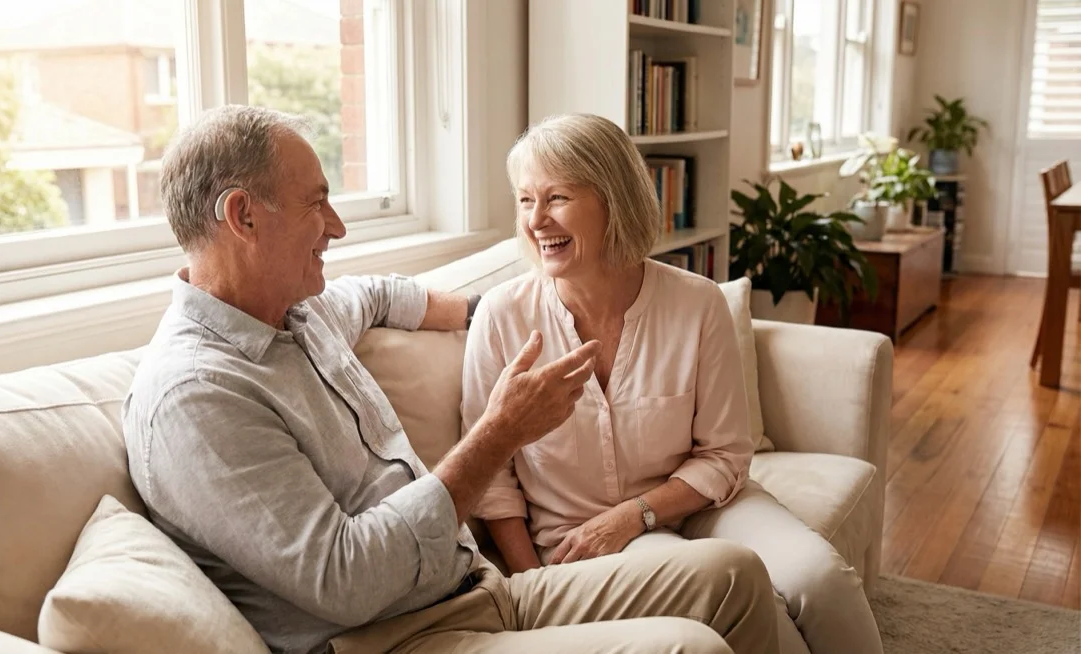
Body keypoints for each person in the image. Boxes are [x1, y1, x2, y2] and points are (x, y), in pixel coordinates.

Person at [121, 105, 780, 654]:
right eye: (317, 204)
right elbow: (347, 582)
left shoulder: (300, 314)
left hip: (476, 590)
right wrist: (499, 432)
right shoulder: (199, 396)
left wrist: (485, 312)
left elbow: (377, 294)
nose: (337, 227)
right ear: (243, 216)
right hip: (399, 637)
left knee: (735, 575)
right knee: (692, 648)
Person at [462, 113, 885, 654]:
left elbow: (726, 455)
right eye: (525, 200)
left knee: (821, 579)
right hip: (581, 538)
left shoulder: (697, 304)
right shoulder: (502, 317)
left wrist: (633, 514)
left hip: (709, 505)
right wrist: (533, 588)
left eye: (557, 198)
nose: (536, 220)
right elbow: (492, 477)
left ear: (615, 199)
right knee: (764, 618)